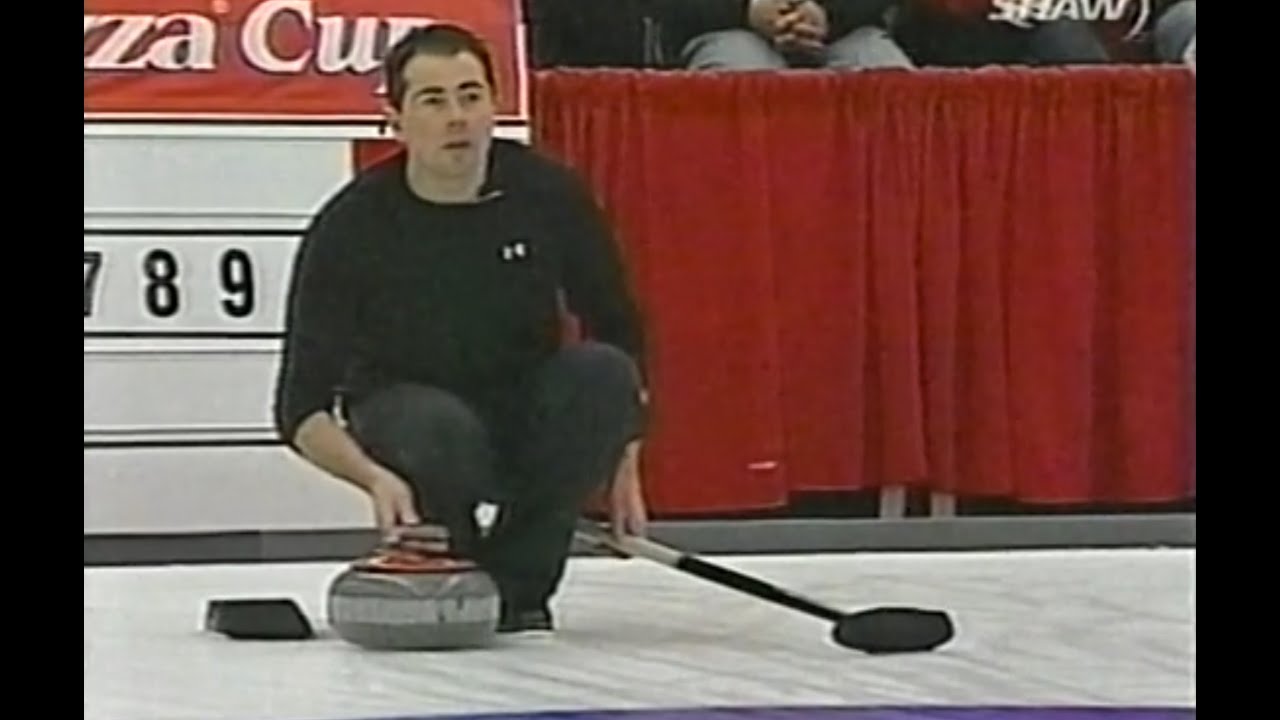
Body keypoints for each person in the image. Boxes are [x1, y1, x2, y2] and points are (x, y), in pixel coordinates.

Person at [271, 23, 650, 634]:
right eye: (434, 100)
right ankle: (457, 566)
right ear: (394, 118)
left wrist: (624, 456)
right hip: (409, 420)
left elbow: (619, 330)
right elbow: (299, 410)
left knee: (602, 374)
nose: (458, 118)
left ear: (495, 106)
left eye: (471, 97)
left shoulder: (547, 194)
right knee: (434, 426)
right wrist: (374, 479)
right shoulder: (353, 226)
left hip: (523, 412)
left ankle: (518, 591)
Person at [657, 0, 914, 71]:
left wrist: (829, 14)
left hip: (846, 31)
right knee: (746, 80)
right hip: (726, 29)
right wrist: (746, 11)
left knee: (891, 84)